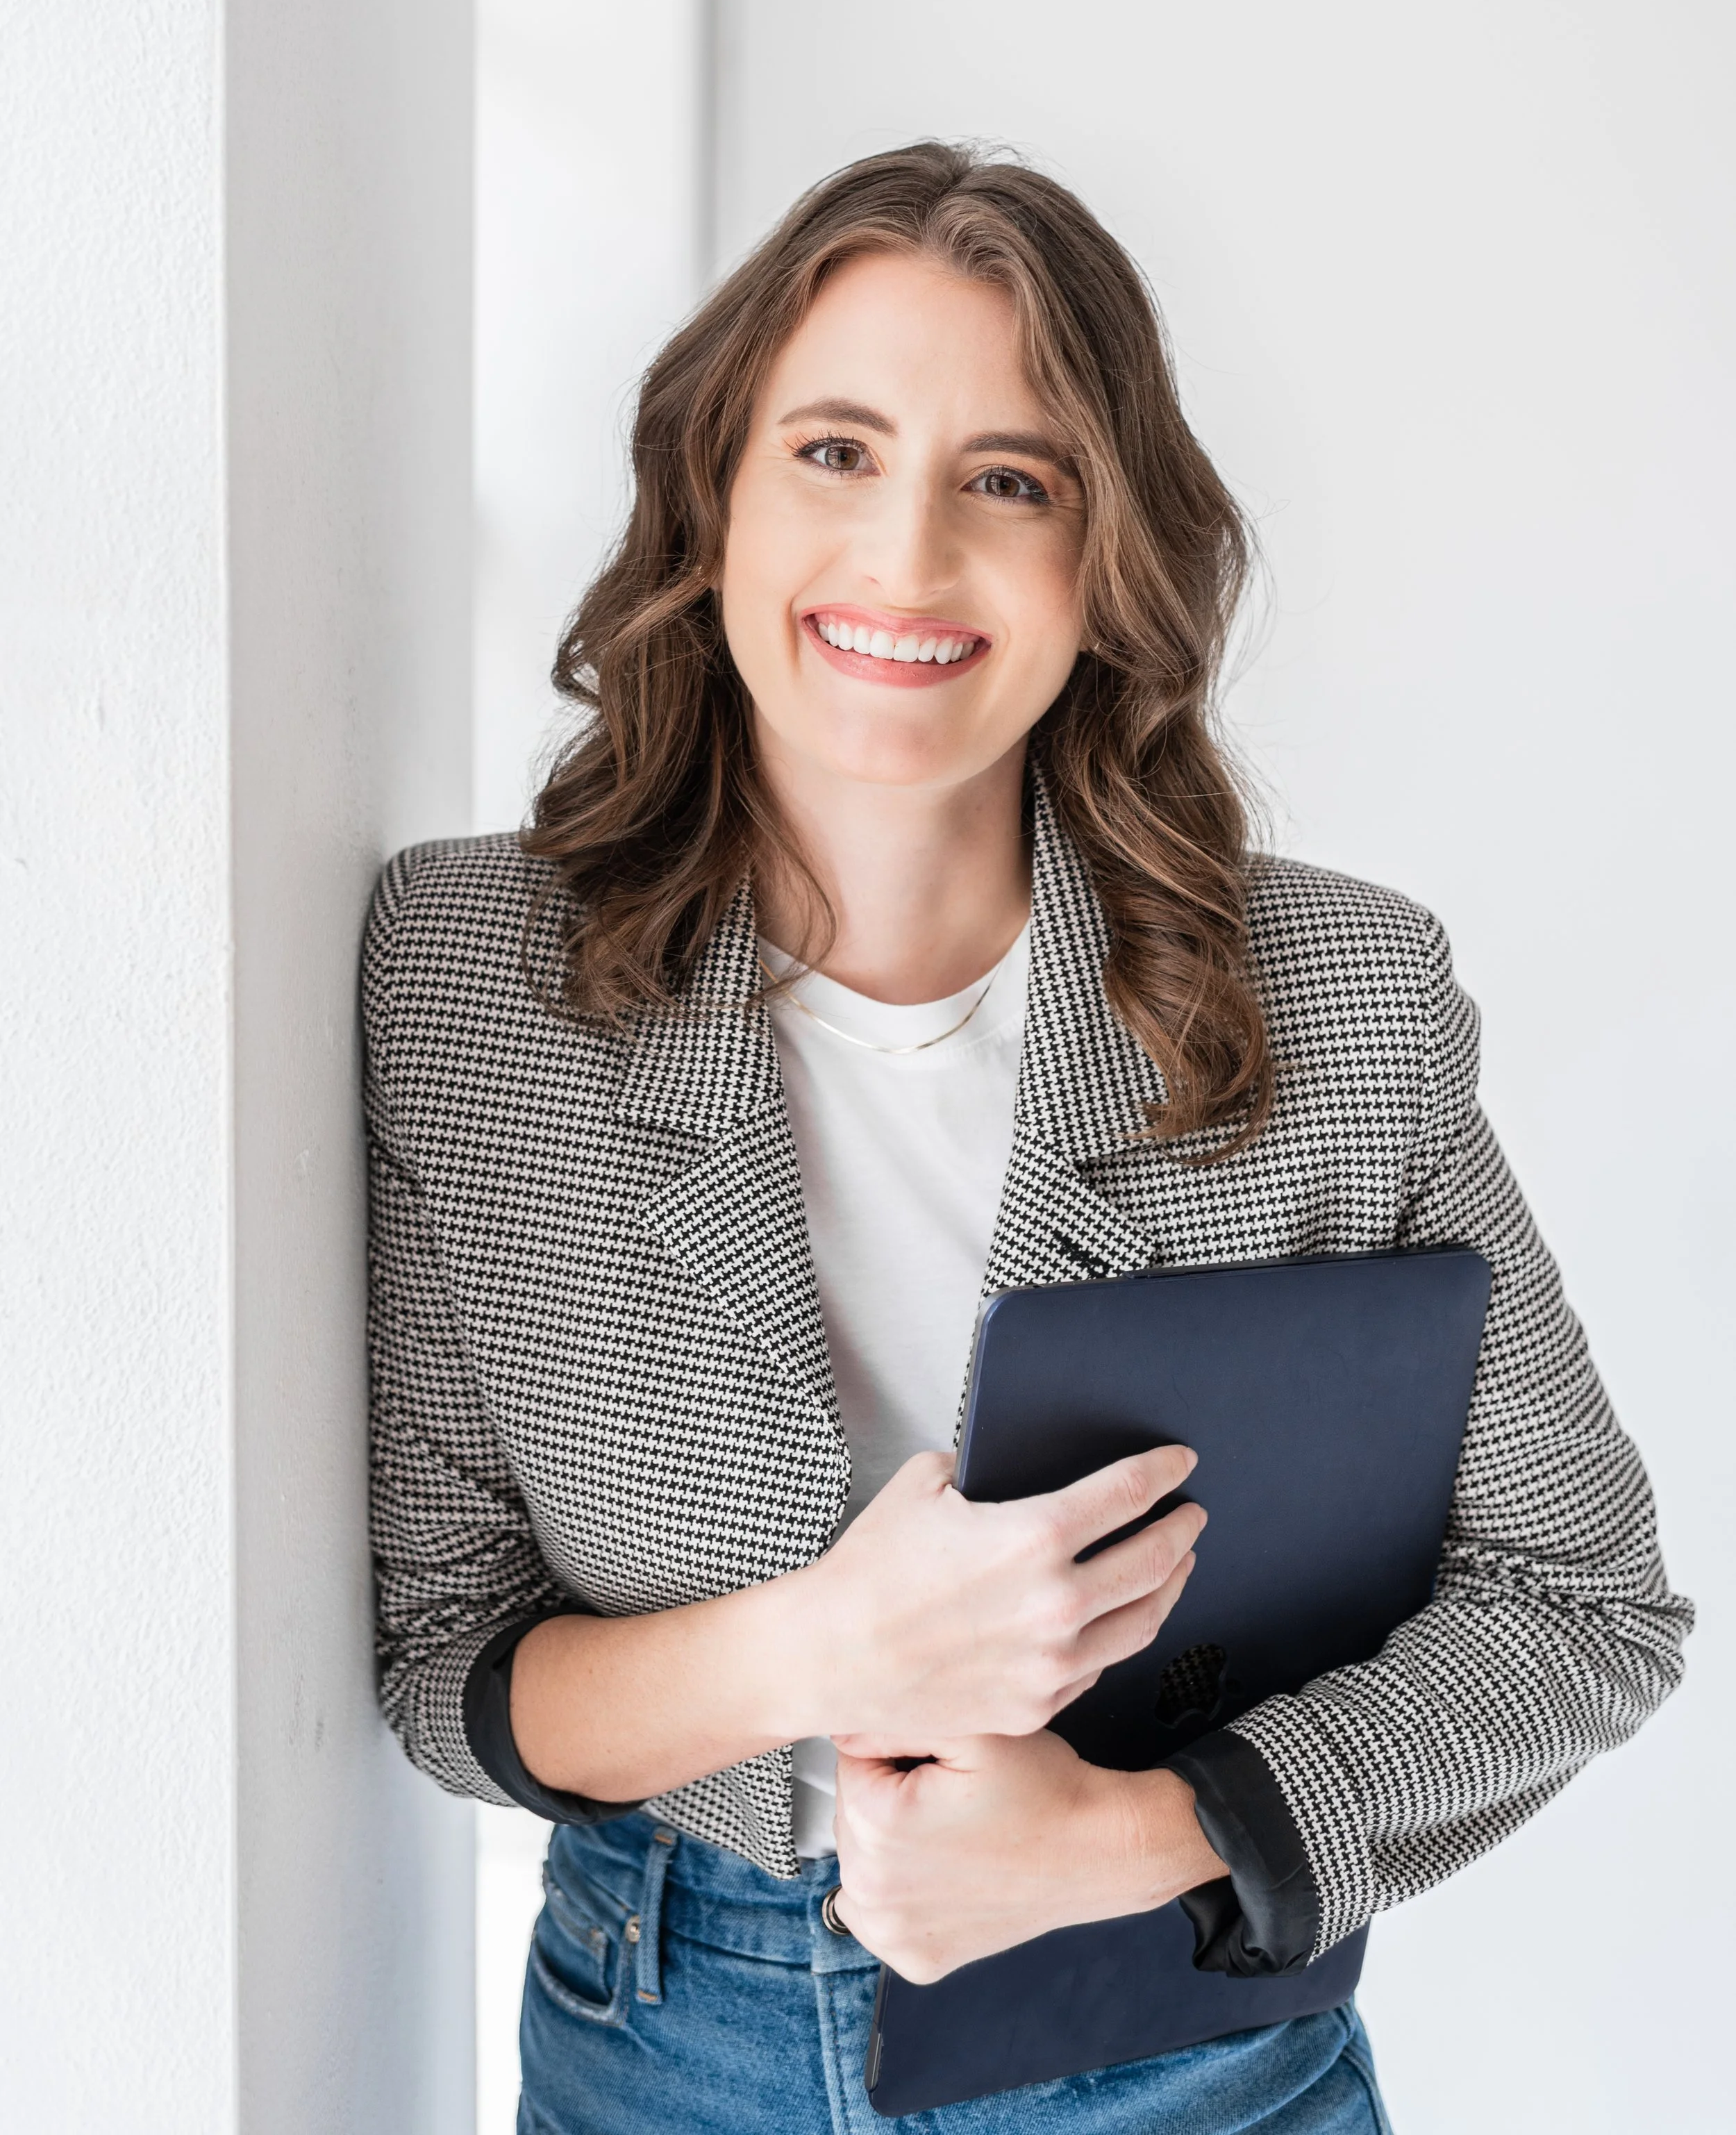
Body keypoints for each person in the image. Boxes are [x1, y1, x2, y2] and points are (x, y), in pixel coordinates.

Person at [364, 144, 1689, 2134]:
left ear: (1105, 566)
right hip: (659, 2032)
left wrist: (1138, 1833)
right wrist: (821, 1647)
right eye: (830, 451)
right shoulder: (469, 981)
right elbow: (443, 1652)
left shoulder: (1341, 996)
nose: (904, 558)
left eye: (1008, 480)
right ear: (706, 500)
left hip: (1187, 2046)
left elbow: (1581, 1608)